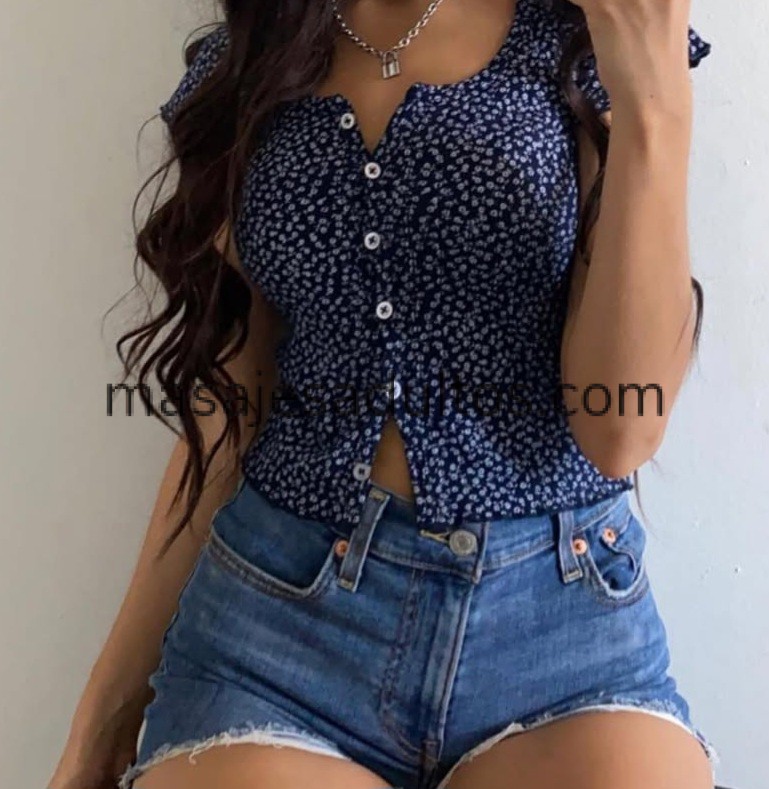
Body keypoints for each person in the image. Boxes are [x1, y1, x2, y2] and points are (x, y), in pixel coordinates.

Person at [49, 1, 717, 788]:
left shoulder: (588, 34)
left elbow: (622, 429)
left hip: (561, 630)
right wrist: (102, 716)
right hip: (277, 630)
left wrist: (654, 107)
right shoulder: (254, 57)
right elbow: (227, 409)